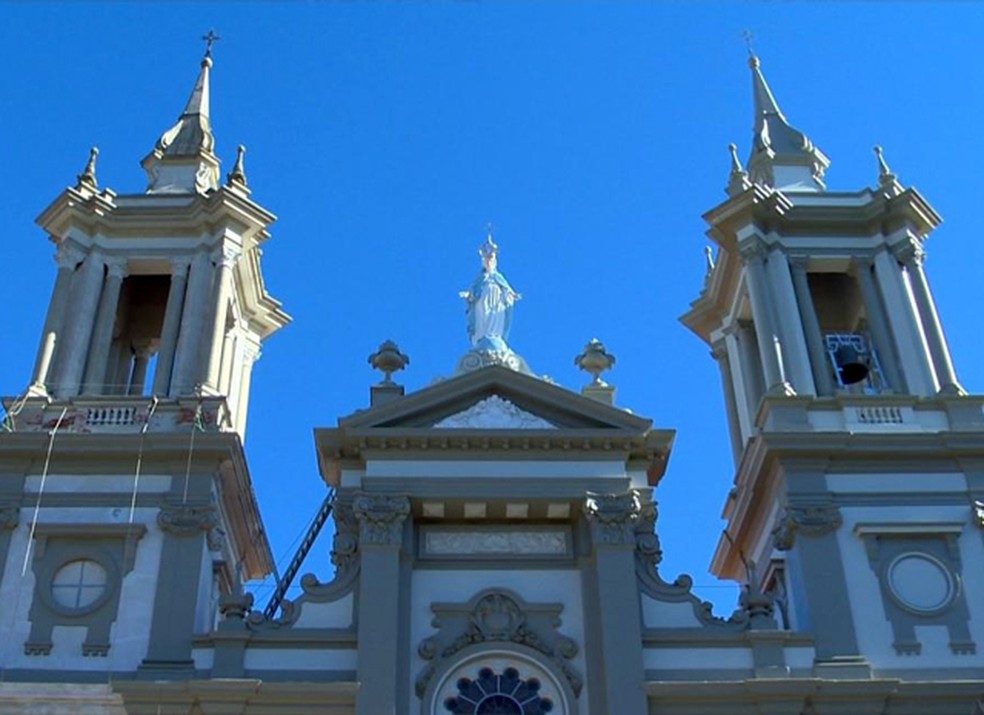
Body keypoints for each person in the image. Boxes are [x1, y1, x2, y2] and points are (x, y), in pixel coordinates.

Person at [459, 234, 521, 353]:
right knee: (483, 314)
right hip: (483, 298)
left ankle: (495, 336)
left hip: (497, 299)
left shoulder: (499, 278)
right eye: (486, 260)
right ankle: (483, 336)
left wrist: (510, 295)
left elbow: (506, 289)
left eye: (491, 260)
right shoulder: (480, 279)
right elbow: (473, 292)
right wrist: (469, 296)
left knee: (496, 314)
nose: (488, 263)